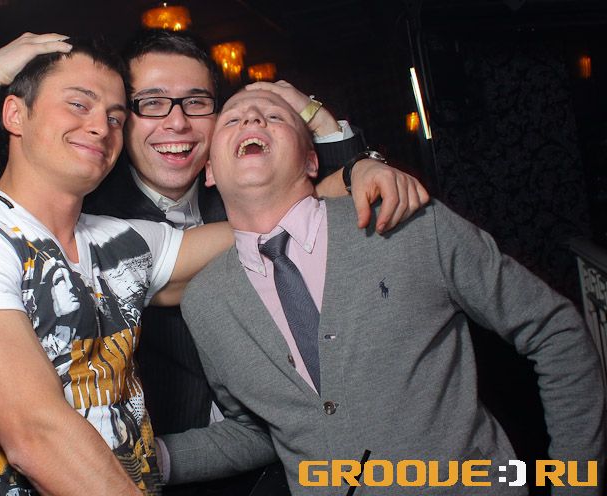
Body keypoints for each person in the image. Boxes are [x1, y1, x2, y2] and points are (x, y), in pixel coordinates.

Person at [0, 30, 430, 494]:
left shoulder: (142, 235)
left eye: (196, 102)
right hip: (167, 468)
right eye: (151, 103)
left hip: (299, 461)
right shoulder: (82, 212)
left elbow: (305, 209)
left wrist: (351, 159)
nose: (177, 121)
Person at [159, 88, 606, 496]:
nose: (252, 119)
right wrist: (149, 457)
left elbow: (556, 332)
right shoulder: (205, 302)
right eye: (232, 119)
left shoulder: (409, 224)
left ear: (312, 161)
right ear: (210, 171)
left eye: (274, 116)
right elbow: (259, 430)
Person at [0, 40, 238, 495]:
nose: (100, 127)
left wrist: (332, 165)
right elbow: (39, 436)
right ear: (15, 115)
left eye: (115, 117)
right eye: (78, 104)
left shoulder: (120, 241)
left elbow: (259, 231)